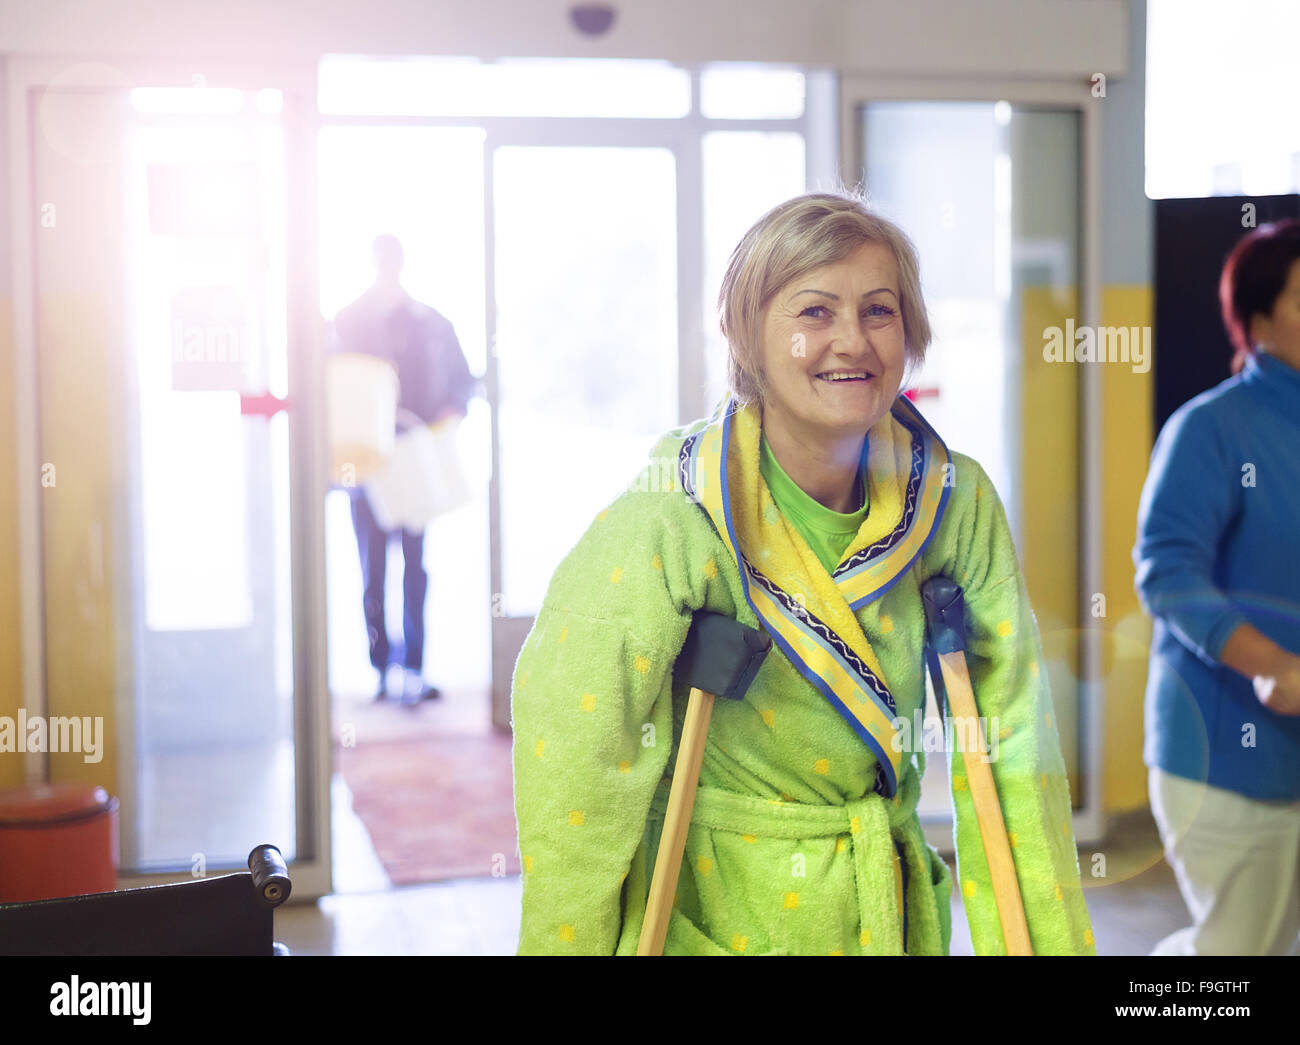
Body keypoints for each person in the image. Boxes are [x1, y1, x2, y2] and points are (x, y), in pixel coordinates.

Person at [510, 191, 1095, 955]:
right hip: (719, 909)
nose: (852, 341)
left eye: (879, 311)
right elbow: (578, 762)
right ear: (747, 334)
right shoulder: (675, 513)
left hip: (885, 906)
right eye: (814, 312)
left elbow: (1014, 750)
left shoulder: (953, 498)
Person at [1134, 218, 1300, 956]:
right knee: (1237, 954)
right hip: (1232, 758)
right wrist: (1276, 665)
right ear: (1259, 319)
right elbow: (1168, 572)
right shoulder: (1212, 429)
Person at [332, 234, 477, 705]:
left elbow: (462, 383)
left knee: (415, 568)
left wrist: (446, 416)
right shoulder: (346, 322)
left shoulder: (433, 325)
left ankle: (414, 668)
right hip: (366, 463)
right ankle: (381, 669)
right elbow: (327, 391)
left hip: (415, 460)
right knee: (372, 569)